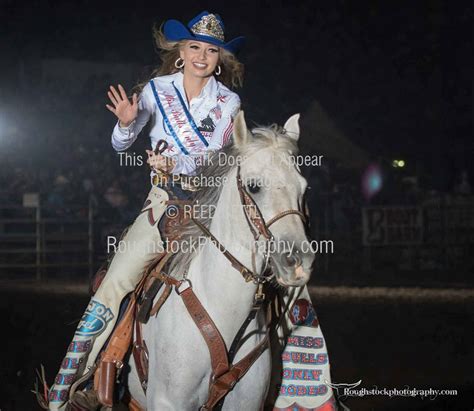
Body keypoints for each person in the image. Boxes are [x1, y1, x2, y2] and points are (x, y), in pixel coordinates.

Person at [47, 11, 244, 410]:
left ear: (220, 59)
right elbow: (123, 144)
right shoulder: (156, 90)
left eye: (210, 51)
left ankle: (299, 386)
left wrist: (180, 163)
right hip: (164, 205)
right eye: (194, 47)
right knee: (117, 280)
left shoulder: (229, 101)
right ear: (180, 51)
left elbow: (220, 155)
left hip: (210, 203)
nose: (201, 56)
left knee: (265, 271)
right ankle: (86, 377)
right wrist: (126, 123)